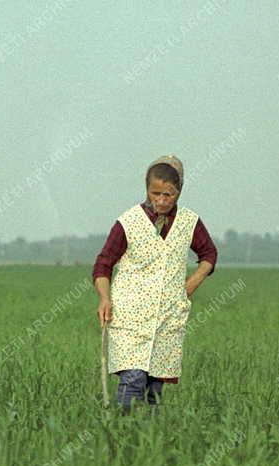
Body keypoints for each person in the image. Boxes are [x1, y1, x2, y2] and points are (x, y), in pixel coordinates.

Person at [93, 155, 217, 411]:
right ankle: (122, 431)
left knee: (154, 390)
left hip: (167, 318)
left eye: (168, 195)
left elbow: (209, 254)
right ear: (146, 189)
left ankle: (147, 441)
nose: (161, 200)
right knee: (133, 378)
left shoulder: (188, 222)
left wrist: (194, 281)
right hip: (129, 317)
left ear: (179, 192)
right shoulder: (128, 221)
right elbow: (103, 265)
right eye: (155, 193)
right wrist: (104, 298)